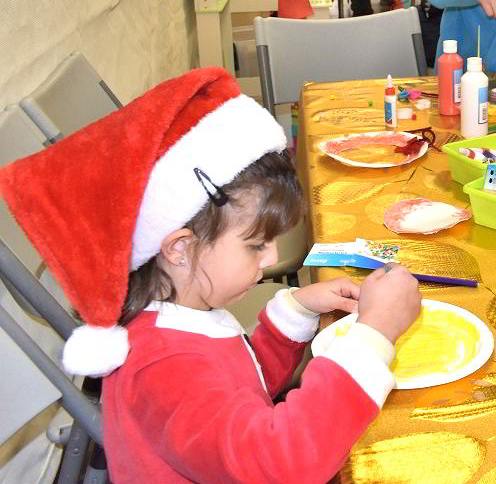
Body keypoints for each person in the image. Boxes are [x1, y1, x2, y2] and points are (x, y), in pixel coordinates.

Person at [0, 68, 423, 482]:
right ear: (179, 248)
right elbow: (281, 463)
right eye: (256, 244)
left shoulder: (185, 316)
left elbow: (243, 393)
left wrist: (293, 312)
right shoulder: (164, 368)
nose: (273, 255)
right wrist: (376, 332)